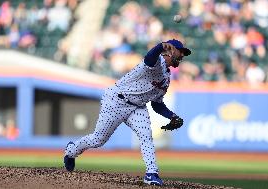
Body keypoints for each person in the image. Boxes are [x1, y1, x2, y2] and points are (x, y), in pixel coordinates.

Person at [64, 39, 191, 186]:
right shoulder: (157, 62)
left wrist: (172, 116)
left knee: (146, 136)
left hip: (137, 107)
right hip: (116, 101)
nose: (182, 56)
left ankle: (151, 173)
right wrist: (159, 47)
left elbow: (157, 104)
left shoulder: (167, 77)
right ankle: (71, 151)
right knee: (98, 140)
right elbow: (149, 58)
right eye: (180, 52)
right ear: (169, 51)